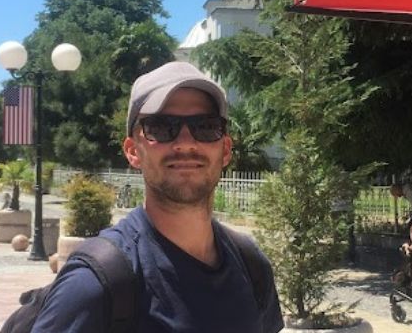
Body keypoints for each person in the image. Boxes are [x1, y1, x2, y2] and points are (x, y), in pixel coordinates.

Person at [32, 61, 284, 333]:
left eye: (206, 126)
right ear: (133, 151)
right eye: (162, 127)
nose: (186, 142)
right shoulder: (94, 285)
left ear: (224, 149)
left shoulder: (251, 265)